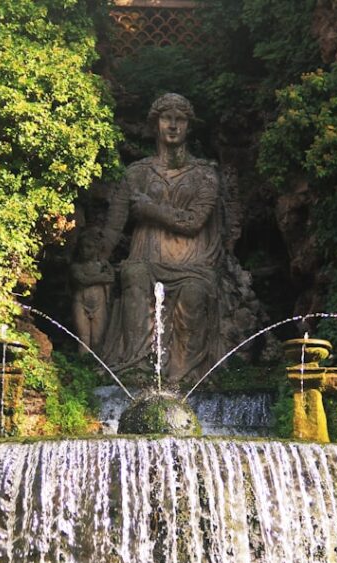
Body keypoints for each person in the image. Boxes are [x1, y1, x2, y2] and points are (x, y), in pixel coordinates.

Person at [101, 93, 224, 385]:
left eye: (179, 119)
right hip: (147, 256)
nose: (173, 125)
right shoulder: (136, 173)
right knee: (134, 274)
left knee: (194, 292)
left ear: (188, 126)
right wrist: (98, 260)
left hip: (191, 263)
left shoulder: (205, 175)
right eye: (166, 118)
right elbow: (113, 226)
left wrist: (150, 209)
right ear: (155, 123)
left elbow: (194, 222)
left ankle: (182, 376)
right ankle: (138, 363)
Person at [70, 228, 115, 353]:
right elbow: (82, 279)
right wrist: (101, 278)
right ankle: (82, 367)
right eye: (83, 247)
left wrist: (105, 273)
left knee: (97, 340)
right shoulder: (77, 266)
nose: (85, 250)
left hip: (99, 305)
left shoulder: (103, 266)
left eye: (89, 247)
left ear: (97, 249)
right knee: (83, 338)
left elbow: (111, 278)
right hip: (80, 303)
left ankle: (95, 368)